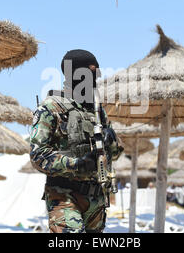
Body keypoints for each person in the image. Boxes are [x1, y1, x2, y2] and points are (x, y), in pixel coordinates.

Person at [30, 49, 124, 233]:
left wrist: (111, 139)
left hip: (96, 201)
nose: (94, 79)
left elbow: (116, 152)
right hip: (65, 197)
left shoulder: (97, 110)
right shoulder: (51, 107)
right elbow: (38, 156)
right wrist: (77, 164)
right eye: (90, 72)